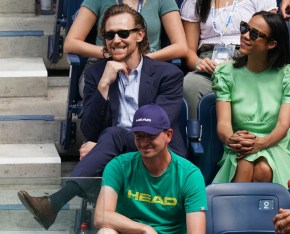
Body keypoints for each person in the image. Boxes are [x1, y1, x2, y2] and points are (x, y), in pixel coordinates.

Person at [17, 5, 186, 230]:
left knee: (113, 134)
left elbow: (157, 125)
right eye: (109, 35)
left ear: (140, 35)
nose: (116, 40)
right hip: (117, 155)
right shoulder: (96, 74)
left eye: (123, 33)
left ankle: (54, 203)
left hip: (159, 150)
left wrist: (102, 145)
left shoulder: (168, 75)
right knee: (110, 135)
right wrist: (104, 85)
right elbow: (90, 131)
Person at [212, 11, 290, 195]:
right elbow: (223, 125)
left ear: (271, 44)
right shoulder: (225, 73)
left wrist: (260, 143)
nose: (245, 35)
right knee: (245, 164)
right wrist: (233, 141)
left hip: (275, 143)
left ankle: (245, 218)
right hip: (238, 144)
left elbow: (283, 125)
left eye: (254, 34)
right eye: (245, 28)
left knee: (262, 168)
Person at [94, 104, 207, 234]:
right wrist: (144, 229)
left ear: (168, 135)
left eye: (151, 136)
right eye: (139, 136)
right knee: (105, 232)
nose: (143, 143)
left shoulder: (189, 175)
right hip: (133, 232)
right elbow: (101, 216)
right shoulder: (119, 166)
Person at [63, 0, 187, 98]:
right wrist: (109, 53)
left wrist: (141, 60)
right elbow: (71, 43)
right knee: (102, 92)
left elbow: (181, 46)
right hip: (103, 64)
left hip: (149, 67)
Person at [180, 0, 277, 119]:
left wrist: (243, 62)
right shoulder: (193, 2)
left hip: (247, 58)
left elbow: (268, 38)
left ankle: (250, 133)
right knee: (190, 84)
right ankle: (197, 135)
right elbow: (189, 52)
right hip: (209, 64)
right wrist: (199, 63)